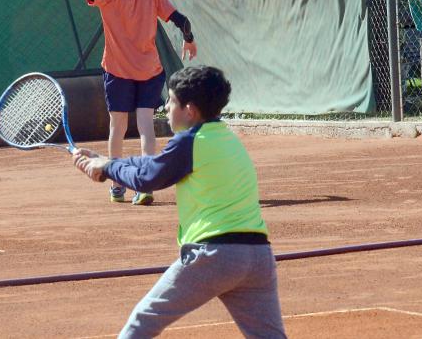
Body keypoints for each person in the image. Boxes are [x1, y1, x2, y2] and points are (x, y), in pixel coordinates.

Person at [72, 66, 287, 339]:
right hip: (258, 258)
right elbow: (155, 164)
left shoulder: (190, 141)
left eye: (171, 101)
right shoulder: (225, 138)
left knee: (143, 320)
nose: (166, 106)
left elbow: (148, 178)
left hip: (215, 256)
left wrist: (108, 169)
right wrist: (108, 163)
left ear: (189, 110)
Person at [22, 0, 197, 205]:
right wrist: (189, 39)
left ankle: (117, 185)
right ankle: (145, 185)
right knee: (146, 126)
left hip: (117, 70)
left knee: (118, 126)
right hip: (150, 70)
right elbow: (182, 20)